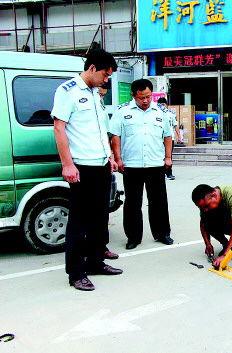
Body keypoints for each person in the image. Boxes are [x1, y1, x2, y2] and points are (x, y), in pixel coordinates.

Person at [52, 49, 123, 291]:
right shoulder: (68, 91)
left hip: (101, 165)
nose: (107, 80)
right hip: (81, 167)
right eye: (105, 74)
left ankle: (95, 261)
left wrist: (110, 157)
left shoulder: (95, 94)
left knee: (99, 218)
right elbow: (59, 129)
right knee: (79, 222)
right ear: (92, 68)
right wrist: (67, 164)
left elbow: (100, 130)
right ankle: (75, 272)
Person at [109, 79, 174, 250]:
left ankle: (162, 234)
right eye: (141, 98)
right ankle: (133, 237)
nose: (145, 101)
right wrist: (118, 158)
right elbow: (115, 136)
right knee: (132, 203)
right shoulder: (122, 112)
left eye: (148, 97)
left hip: (155, 164)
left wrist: (168, 157)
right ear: (133, 96)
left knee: (159, 201)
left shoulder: (160, 112)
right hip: (132, 165)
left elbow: (167, 136)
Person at [97, 81, 119, 260]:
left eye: (103, 95)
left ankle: (101, 247)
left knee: (102, 210)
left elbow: (107, 136)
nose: (100, 97)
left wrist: (111, 157)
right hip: (86, 164)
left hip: (103, 162)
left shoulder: (101, 109)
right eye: (99, 93)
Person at [157, 97, 182, 181]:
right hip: (159, 138)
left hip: (170, 138)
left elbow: (175, 126)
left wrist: (179, 136)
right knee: (160, 156)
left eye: (163, 104)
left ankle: (169, 173)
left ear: (167, 105)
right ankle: (161, 173)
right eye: (160, 105)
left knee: (169, 156)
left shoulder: (171, 114)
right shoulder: (156, 113)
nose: (162, 106)